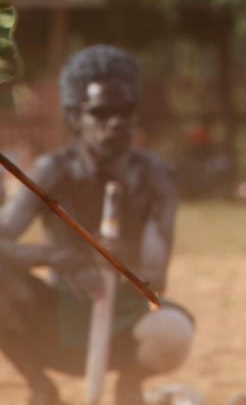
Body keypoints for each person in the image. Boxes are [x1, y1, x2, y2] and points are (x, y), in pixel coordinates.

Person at [0, 45, 194, 405]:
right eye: (102, 113)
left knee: (174, 330)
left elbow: (157, 274)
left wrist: (119, 265)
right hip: (55, 321)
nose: (116, 123)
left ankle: (130, 384)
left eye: (125, 112)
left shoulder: (157, 178)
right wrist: (56, 256)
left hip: (126, 321)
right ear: (75, 117)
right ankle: (40, 385)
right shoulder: (51, 171)